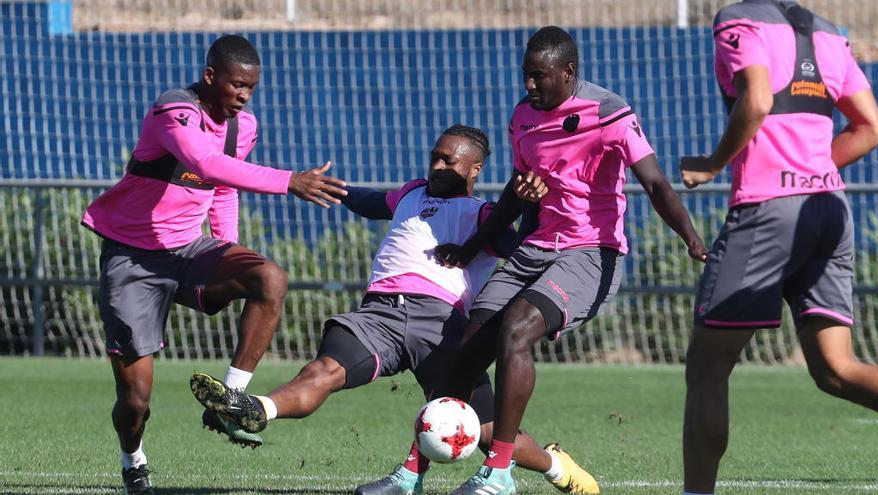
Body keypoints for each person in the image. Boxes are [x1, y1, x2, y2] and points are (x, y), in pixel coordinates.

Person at [189, 124, 600, 495]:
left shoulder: (485, 217)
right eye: (434, 157)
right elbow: (368, 201)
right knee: (321, 372)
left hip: (441, 326)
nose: (436, 166)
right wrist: (330, 188)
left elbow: (524, 251)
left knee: (488, 433)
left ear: (474, 170)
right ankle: (254, 408)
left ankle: (555, 465)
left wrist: (529, 207)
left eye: (448, 161)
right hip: (378, 316)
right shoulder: (411, 192)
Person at [432, 26, 708, 495]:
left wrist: (690, 236)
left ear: (569, 72)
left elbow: (656, 183)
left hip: (591, 253)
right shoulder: (523, 116)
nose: (530, 86)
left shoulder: (609, 113)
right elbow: (516, 194)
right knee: (467, 350)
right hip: (536, 248)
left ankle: (498, 473)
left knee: (518, 328)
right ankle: (415, 471)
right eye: (526, 76)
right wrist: (473, 247)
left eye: (539, 77)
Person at [81, 34, 347, 495]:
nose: (243, 96)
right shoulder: (175, 111)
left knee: (269, 277)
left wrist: (227, 251)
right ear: (210, 77)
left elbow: (223, 189)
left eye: (251, 88)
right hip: (132, 258)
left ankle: (230, 399)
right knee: (137, 400)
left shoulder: (243, 126)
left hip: (189, 251)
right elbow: (206, 164)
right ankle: (133, 458)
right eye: (236, 86)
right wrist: (288, 181)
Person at [679, 1, 878, 494]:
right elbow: (870, 126)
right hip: (829, 209)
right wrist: (812, 173)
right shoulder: (830, 33)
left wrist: (711, 164)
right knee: (836, 369)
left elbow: (758, 101)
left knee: (707, 365)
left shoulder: (739, 20)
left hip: (768, 210)